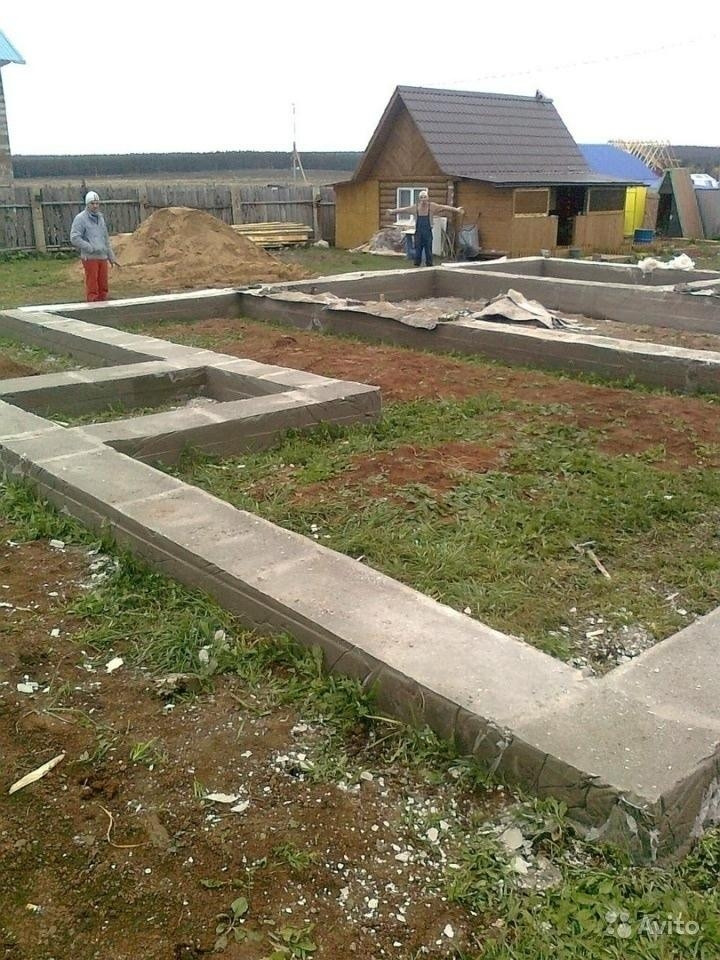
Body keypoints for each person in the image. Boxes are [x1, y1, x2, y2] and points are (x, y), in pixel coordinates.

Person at [386, 191, 464, 267]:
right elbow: (403, 210)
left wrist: (456, 210)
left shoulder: (432, 206)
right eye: (421, 197)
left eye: (425, 197)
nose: (423, 199)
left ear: (428, 198)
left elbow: (445, 207)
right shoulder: (415, 208)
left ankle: (429, 265)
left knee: (428, 249)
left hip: (428, 232)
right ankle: (417, 265)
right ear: (419, 199)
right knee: (418, 250)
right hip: (418, 233)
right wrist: (392, 211)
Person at [70, 191, 119, 301]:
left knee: (103, 284)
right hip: (90, 257)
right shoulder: (80, 218)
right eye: (92, 203)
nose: (95, 206)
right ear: (87, 204)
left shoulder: (100, 218)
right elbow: (74, 237)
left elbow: (105, 238)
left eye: (97, 203)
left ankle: (104, 303)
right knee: (92, 285)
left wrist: (111, 256)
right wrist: (89, 247)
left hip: (102, 256)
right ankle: (93, 303)